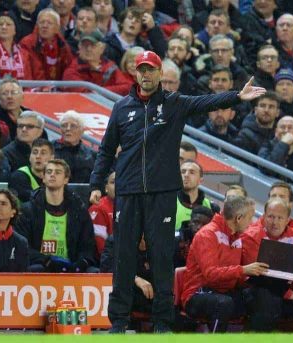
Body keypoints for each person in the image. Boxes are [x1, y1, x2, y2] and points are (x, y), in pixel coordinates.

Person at [88, 50, 265, 333]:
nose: (145, 74)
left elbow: (204, 102)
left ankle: (162, 322)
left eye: (151, 69)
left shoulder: (174, 103)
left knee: (161, 257)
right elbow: (107, 149)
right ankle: (118, 322)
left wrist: (236, 96)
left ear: (160, 74)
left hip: (163, 192)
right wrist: (96, 184)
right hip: (129, 191)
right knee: (123, 256)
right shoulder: (122, 108)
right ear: (135, 73)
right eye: (141, 69)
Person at [181, 196, 263, 333]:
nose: (251, 222)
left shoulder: (236, 237)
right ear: (238, 218)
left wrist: (255, 276)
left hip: (223, 292)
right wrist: (243, 270)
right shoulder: (207, 235)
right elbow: (211, 274)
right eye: (250, 218)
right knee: (224, 303)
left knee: (260, 297)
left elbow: (237, 274)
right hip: (197, 294)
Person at [241, 198, 293, 332]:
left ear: (288, 220)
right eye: (271, 217)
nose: (274, 222)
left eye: (280, 218)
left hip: (288, 293)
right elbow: (260, 277)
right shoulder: (251, 236)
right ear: (264, 216)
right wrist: (292, 294)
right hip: (256, 292)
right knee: (267, 296)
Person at [16, 159, 97, 273]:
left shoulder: (79, 211)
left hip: (71, 267)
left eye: (57, 172)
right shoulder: (27, 210)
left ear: (66, 179)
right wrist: (47, 261)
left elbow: (88, 246)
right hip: (41, 266)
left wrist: (81, 263)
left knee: (93, 271)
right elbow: (22, 247)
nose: (52, 174)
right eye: (49, 172)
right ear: (43, 178)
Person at [62, 29, 131, 96]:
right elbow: (86, 93)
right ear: (79, 47)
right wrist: (106, 91)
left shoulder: (110, 66)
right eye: (85, 45)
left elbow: (127, 86)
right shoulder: (72, 70)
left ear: (102, 48)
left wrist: (100, 90)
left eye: (93, 46)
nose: (88, 49)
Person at [20, 8, 73, 81]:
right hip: (35, 87)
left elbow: (69, 69)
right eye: (41, 22)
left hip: (57, 88)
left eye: (49, 23)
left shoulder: (63, 45)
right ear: (37, 25)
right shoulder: (27, 43)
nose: (44, 26)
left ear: (57, 28)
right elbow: (28, 71)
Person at [0, 12, 32, 80]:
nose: (4, 27)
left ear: (15, 30)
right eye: (0, 24)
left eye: (8, 24)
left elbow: (28, 81)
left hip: (21, 90)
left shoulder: (23, 53)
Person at [52, 112, 97, 184]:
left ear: (82, 130)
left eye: (73, 126)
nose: (68, 129)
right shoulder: (50, 149)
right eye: (64, 125)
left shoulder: (92, 155)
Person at [175, 160, 220, 232]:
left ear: (200, 180)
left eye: (192, 172)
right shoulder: (167, 204)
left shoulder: (213, 208)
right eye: (183, 172)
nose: (186, 175)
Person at [8, 138, 54, 203]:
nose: (38, 156)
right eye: (35, 153)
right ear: (30, 157)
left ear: (52, 158)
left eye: (43, 153)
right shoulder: (18, 176)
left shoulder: (55, 176)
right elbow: (30, 199)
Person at [88, 171, 115, 257]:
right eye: (113, 182)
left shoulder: (136, 206)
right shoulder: (98, 208)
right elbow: (101, 249)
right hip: (109, 260)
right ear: (106, 188)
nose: (118, 185)